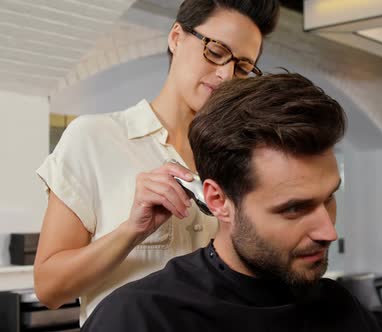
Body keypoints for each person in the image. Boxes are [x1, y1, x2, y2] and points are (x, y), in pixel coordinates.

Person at [34, 0, 280, 325]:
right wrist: (132, 231)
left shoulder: (236, 161)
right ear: (176, 37)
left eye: (243, 67)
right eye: (216, 52)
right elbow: (49, 289)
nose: (226, 74)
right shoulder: (94, 137)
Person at [81, 73, 382, 332]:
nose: (328, 232)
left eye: (330, 198)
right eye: (294, 209)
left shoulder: (341, 309)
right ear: (218, 200)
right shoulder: (140, 317)